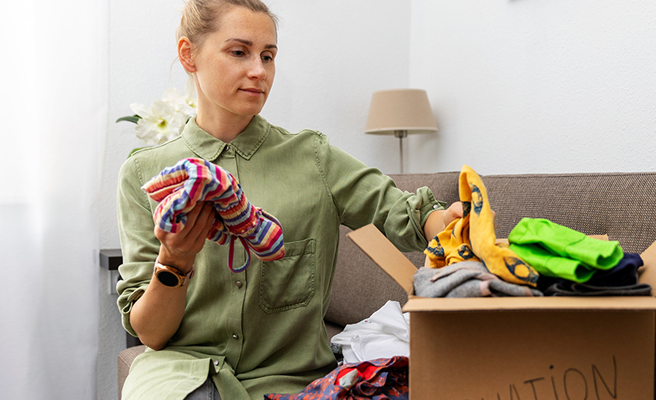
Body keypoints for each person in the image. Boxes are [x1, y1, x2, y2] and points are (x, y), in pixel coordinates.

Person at [115, 1, 462, 399]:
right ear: (188, 55)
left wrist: (450, 225)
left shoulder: (313, 158)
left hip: (288, 382)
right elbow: (151, 333)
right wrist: (174, 262)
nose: (259, 71)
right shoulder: (147, 176)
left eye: (268, 56)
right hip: (180, 377)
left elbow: (401, 212)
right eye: (238, 51)